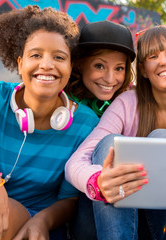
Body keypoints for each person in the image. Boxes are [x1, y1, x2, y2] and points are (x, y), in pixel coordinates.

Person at [65, 25, 166, 239]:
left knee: (163, 139)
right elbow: (74, 164)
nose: (163, 61)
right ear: (142, 70)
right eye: (153, 56)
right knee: (110, 143)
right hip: (107, 224)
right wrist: (99, 183)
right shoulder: (126, 103)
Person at [0, 5, 99, 240]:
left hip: (27, 214)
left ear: (70, 66)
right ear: (20, 63)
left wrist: (42, 221)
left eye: (59, 57)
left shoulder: (85, 124)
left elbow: (69, 199)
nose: (47, 64)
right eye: (36, 55)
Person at [64, 20, 136, 240]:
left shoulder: (127, 105)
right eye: (99, 66)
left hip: (113, 211)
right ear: (78, 64)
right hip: (68, 211)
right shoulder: (61, 104)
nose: (110, 78)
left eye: (119, 69)